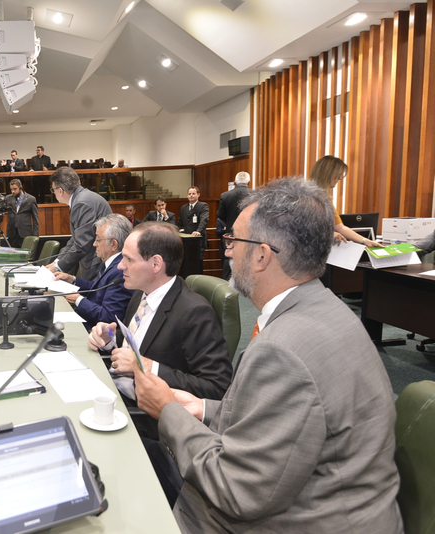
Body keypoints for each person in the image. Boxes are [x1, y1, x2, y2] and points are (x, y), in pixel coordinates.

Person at [134, 178, 403, 532]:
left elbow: (235, 491)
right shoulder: (327, 308)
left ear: (261, 255)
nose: (227, 251)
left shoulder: (282, 350)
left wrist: (167, 410)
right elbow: (285, 419)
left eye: (233, 241)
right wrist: (203, 408)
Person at [87, 222, 232, 439]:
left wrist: (146, 366)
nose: (120, 266)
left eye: (128, 259)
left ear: (156, 264)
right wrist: (108, 339)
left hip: (145, 421)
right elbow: (135, 342)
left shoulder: (194, 312)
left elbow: (217, 388)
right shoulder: (141, 293)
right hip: (116, 394)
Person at [54, 214, 134, 331]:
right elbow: (100, 288)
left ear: (113, 244)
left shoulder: (120, 271)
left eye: (98, 239)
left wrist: (78, 300)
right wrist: (73, 280)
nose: (94, 244)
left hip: (93, 331)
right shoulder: (112, 262)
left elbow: (109, 318)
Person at [46, 167, 112, 280]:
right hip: (96, 260)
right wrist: (57, 262)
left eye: (53, 190)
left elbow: (82, 244)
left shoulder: (81, 203)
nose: (54, 193)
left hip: (98, 263)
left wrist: (58, 267)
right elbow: (76, 238)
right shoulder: (81, 198)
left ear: (60, 190)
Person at [309, 155, 382, 247]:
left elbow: (340, 228)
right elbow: (299, 229)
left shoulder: (326, 199)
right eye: (338, 174)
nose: (340, 178)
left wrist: (366, 241)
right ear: (326, 174)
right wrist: (327, 234)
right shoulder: (304, 197)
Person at [217, 171, 251, 279]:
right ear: (249, 182)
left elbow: (220, 215)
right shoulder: (255, 195)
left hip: (230, 233)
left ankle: (226, 284)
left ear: (235, 181)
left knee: (228, 258)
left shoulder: (225, 195)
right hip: (249, 234)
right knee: (247, 259)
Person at [178, 186, 209, 272]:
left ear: (198, 195)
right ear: (187, 196)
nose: (191, 195)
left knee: (198, 263)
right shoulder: (183, 208)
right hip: (186, 242)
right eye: (189, 194)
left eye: (193, 193)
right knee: (186, 264)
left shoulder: (203, 206)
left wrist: (198, 231)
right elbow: (179, 223)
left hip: (198, 241)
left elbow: (204, 220)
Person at [4, 178, 39, 248]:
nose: (13, 191)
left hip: (25, 232)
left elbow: (35, 218)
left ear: (20, 187)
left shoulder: (31, 199)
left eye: (15, 189)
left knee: (25, 252)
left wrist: (36, 233)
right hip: (12, 233)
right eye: (11, 189)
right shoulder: (8, 198)